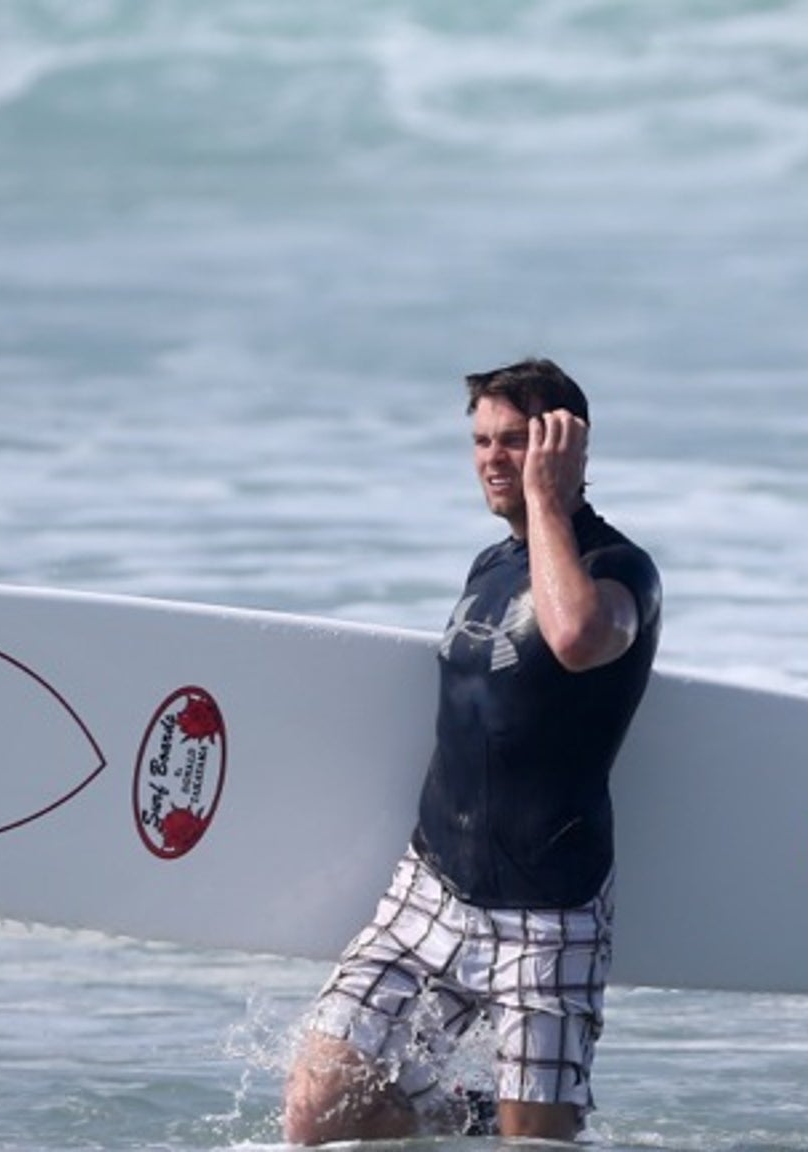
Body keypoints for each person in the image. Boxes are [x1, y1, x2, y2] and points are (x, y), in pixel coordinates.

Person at [282, 358, 662, 1144]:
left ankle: (499, 1126)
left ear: (567, 446)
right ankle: (457, 1120)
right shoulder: (489, 566)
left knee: (537, 1148)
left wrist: (549, 505)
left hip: (548, 917)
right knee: (316, 1114)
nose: (492, 458)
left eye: (517, 441)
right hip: (430, 895)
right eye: (482, 441)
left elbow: (577, 638)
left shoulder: (619, 570)